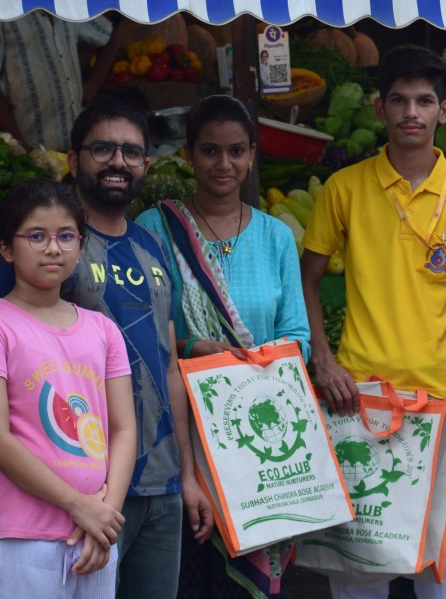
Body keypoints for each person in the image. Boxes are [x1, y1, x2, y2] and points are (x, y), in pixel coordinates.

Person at [0, 97, 214, 598]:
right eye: (103, 149)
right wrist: (71, 496)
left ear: (146, 165)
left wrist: (187, 474)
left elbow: (169, 366)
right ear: (73, 160)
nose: (118, 161)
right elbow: (14, 368)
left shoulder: (153, 246)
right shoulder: (48, 250)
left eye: (131, 152)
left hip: (160, 485)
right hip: (82, 490)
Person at [300, 45, 446, 598]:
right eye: (399, 100)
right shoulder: (344, 187)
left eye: (424, 101)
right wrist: (324, 360)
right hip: (357, 395)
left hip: (439, 398)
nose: (412, 112)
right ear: (379, 107)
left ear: (444, 110)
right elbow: (306, 280)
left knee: (437, 560)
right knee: (358, 562)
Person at [135, 94, 311, 598]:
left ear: (251, 155)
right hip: (178, 434)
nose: (223, 164)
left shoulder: (276, 237)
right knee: (189, 573)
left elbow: (298, 337)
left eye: (236, 151)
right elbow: (142, 335)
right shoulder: (154, 230)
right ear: (189, 155)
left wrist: (251, 369)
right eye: (210, 151)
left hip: (256, 434)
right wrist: (194, 348)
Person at [0, 178, 137, 597]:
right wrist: (79, 505)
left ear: (80, 244)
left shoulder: (103, 330)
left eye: (66, 236)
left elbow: (124, 429)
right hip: (20, 540)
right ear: (7, 248)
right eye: (36, 236)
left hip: (94, 537)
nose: (53, 248)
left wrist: (105, 516)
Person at [0, 11, 124, 152]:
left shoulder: (67, 6)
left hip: (77, 141)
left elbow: (111, 36)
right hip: (31, 145)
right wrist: (19, 144)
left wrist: (92, 84)